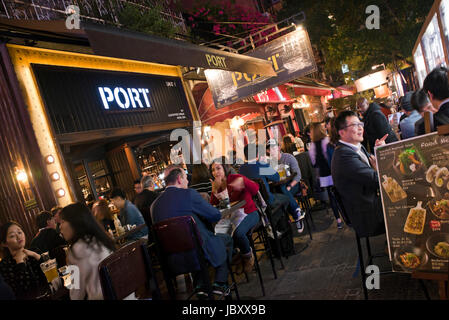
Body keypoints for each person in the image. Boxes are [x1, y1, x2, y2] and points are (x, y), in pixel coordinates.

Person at [150, 165, 233, 298]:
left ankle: (200, 285)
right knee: (226, 240)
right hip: (197, 253)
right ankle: (220, 283)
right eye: (185, 178)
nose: (188, 181)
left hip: (172, 261)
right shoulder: (188, 194)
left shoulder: (154, 205)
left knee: (194, 243)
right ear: (178, 179)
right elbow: (215, 215)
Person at [331, 110, 387, 237]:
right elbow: (377, 179)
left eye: (360, 123)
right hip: (366, 216)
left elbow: (373, 167)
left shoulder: (357, 147)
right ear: (342, 132)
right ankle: (396, 247)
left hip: (372, 201)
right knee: (405, 206)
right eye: (355, 125)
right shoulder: (344, 156)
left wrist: (379, 151)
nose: (360, 128)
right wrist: (377, 169)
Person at [209, 159, 259, 272]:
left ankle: (247, 256)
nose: (215, 172)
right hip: (231, 217)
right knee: (219, 237)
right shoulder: (217, 185)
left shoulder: (235, 178)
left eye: (218, 168)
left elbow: (255, 189)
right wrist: (214, 191)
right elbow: (213, 206)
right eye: (213, 170)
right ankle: (237, 255)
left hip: (249, 213)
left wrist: (243, 181)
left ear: (225, 168)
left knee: (238, 233)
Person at [59, 203, 116, 300]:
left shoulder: (75, 251)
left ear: (75, 222)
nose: (60, 227)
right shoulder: (102, 239)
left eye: (62, 222)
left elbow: (76, 294)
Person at [0, 221, 49, 299]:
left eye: (20, 232)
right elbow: (24, 292)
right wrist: (20, 263)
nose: (19, 237)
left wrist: (36, 256)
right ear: (4, 243)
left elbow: (52, 277)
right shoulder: (4, 265)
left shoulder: (34, 252)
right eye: (12, 236)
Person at [308, 123, 343, 229]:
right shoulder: (328, 140)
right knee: (340, 194)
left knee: (331, 197)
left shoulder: (312, 146)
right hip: (334, 171)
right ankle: (347, 216)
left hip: (323, 174)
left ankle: (338, 220)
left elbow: (313, 163)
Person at [267, 140, 306, 233]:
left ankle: (290, 217)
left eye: (274, 147)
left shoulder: (289, 157)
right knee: (281, 192)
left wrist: (290, 186)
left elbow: (298, 176)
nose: (272, 150)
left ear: (279, 148)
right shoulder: (269, 163)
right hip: (280, 188)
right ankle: (297, 214)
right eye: (270, 149)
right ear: (268, 151)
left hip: (294, 185)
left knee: (282, 192)